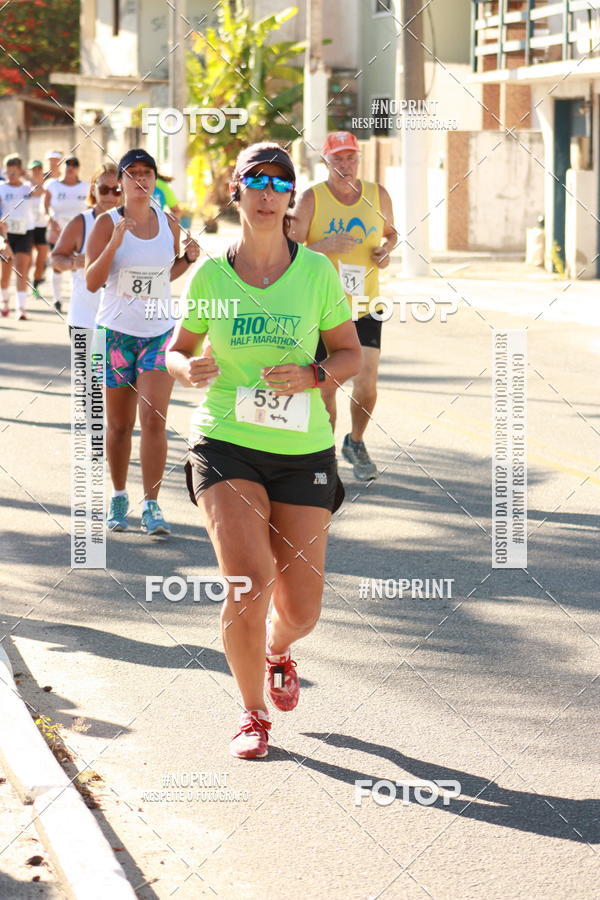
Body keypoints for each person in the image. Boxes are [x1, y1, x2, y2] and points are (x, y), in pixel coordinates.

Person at [166, 142, 361, 759]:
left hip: (302, 449)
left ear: (289, 198)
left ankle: (279, 649)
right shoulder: (211, 275)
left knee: (301, 609)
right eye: (257, 180)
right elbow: (177, 349)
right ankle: (252, 714)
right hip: (226, 438)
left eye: (282, 183)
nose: (269, 192)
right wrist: (183, 368)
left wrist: (314, 377)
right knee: (248, 583)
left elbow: (349, 353)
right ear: (239, 190)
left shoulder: (316, 274)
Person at [86, 148, 199, 536]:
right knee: (119, 424)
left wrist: (189, 259)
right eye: (131, 173)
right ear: (120, 181)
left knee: (154, 419)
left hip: (159, 331)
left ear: (155, 180)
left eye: (147, 173)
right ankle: (119, 495)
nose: (140, 179)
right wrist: (114, 244)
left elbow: (165, 276)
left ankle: (151, 505)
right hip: (116, 333)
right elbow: (90, 281)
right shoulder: (106, 222)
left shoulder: (168, 222)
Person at [289, 131, 397, 481]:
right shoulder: (311, 199)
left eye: (351, 158)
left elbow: (391, 234)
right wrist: (324, 244)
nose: (345, 165)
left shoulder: (377, 194)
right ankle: (325, 454)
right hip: (323, 308)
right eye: (338, 159)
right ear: (326, 162)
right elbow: (289, 250)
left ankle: (355, 441)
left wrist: (386, 252)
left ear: (358, 160)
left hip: (366, 304)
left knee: (367, 382)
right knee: (326, 386)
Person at [51, 163, 121, 334]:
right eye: (104, 189)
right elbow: (56, 259)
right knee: (85, 363)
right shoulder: (80, 223)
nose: (110, 195)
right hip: (84, 321)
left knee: (108, 362)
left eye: (117, 190)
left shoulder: (133, 223)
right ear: (93, 189)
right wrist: (74, 262)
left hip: (121, 324)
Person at [45, 156, 89, 313]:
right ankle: (57, 300)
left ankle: (74, 300)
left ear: (78, 168)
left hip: (79, 233)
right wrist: (50, 219)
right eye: (67, 164)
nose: (71, 167)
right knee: (58, 265)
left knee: (75, 265)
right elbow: (45, 206)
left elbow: (91, 206)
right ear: (61, 166)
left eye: (74, 164)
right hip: (58, 231)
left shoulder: (85, 186)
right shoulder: (52, 185)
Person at [0, 154, 39, 320]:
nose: (11, 175)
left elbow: (41, 191)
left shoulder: (27, 188)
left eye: (14, 172)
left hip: (25, 232)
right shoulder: (1, 187)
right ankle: (5, 301)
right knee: (5, 272)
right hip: (6, 233)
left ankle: (21, 307)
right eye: (8, 172)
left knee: (21, 270)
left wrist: (28, 176)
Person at [27, 161, 49, 296]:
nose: (36, 172)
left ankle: (36, 285)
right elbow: (34, 193)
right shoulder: (24, 186)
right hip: (28, 227)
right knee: (27, 261)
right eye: (33, 169)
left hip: (43, 227)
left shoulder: (48, 185)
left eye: (38, 169)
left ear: (42, 171)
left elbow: (43, 193)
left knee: (41, 260)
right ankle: (27, 282)